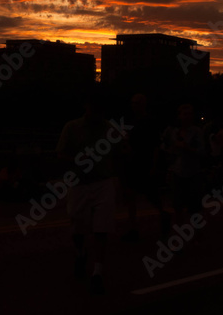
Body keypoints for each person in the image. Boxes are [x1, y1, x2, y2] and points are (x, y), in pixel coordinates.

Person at [56, 88, 120, 294]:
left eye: (100, 109)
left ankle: (97, 272)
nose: (97, 113)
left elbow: (121, 153)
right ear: (87, 106)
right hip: (79, 183)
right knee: (77, 225)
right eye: (94, 108)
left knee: (102, 227)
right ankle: (81, 252)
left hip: (103, 182)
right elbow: (60, 154)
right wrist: (76, 159)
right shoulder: (72, 127)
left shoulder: (110, 128)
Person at [120, 93, 169, 241]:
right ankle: (133, 228)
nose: (133, 106)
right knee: (130, 195)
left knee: (151, 195)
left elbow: (155, 146)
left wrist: (154, 166)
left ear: (143, 104)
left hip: (145, 162)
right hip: (133, 162)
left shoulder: (149, 121)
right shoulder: (132, 121)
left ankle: (163, 216)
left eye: (136, 103)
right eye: (132, 103)